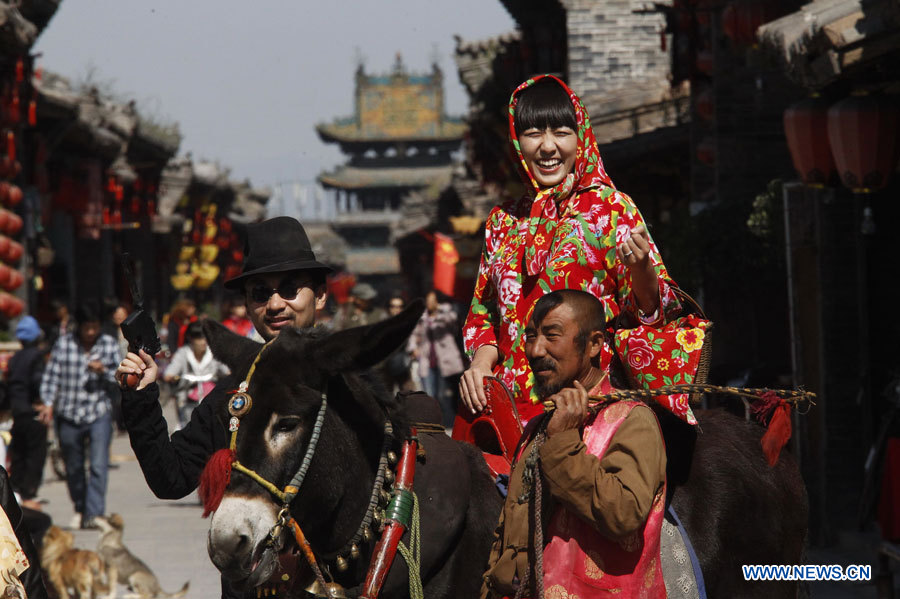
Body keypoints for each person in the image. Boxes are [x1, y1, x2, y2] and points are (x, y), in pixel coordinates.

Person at [115, 216, 330, 599]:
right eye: (261, 293)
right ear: (248, 305)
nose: (275, 304)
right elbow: (171, 479)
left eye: (290, 289)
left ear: (320, 294)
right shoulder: (232, 399)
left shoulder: (349, 383)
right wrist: (143, 399)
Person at [460, 75, 682, 423]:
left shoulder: (611, 209)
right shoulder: (501, 221)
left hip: (591, 408)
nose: (547, 147)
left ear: (581, 139)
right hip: (510, 412)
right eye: (533, 134)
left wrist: (642, 271)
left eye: (561, 132)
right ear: (517, 142)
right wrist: (480, 365)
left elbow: (655, 314)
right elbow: (483, 314)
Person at [481, 290, 666, 599]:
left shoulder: (631, 420)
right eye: (530, 336)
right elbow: (507, 535)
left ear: (593, 344)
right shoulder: (540, 426)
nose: (536, 350)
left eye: (552, 335)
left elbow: (623, 513)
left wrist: (565, 442)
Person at [40, 303, 122, 530]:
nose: (90, 333)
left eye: (95, 327)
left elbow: (121, 377)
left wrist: (103, 371)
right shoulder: (64, 344)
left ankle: (95, 514)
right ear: (79, 327)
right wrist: (47, 403)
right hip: (68, 412)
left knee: (98, 465)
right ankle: (80, 507)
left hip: (98, 412)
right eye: (87, 328)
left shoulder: (108, 345)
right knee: (73, 466)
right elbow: (51, 377)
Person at [7, 316, 49, 511]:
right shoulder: (36, 356)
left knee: (19, 453)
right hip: (31, 411)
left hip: (17, 411)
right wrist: (41, 403)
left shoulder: (15, 358)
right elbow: (37, 383)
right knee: (35, 454)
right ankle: (29, 493)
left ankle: (15, 492)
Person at [408, 290, 466, 429]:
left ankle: (448, 423)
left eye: (433, 300)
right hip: (427, 360)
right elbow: (413, 334)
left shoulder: (446, 314)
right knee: (429, 393)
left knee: (444, 394)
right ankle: (433, 423)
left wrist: (440, 310)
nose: (430, 303)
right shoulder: (422, 317)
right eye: (428, 300)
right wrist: (413, 348)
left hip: (445, 361)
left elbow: (453, 322)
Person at [163, 321, 230, 428]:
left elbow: (227, 370)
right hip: (187, 397)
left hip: (211, 396)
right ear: (190, 338)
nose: (203, 342)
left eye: (205, 337)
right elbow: (169, 373)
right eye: (199, 338)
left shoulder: (214, 352)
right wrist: (175, 377)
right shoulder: (183, 353)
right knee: (185, 425)